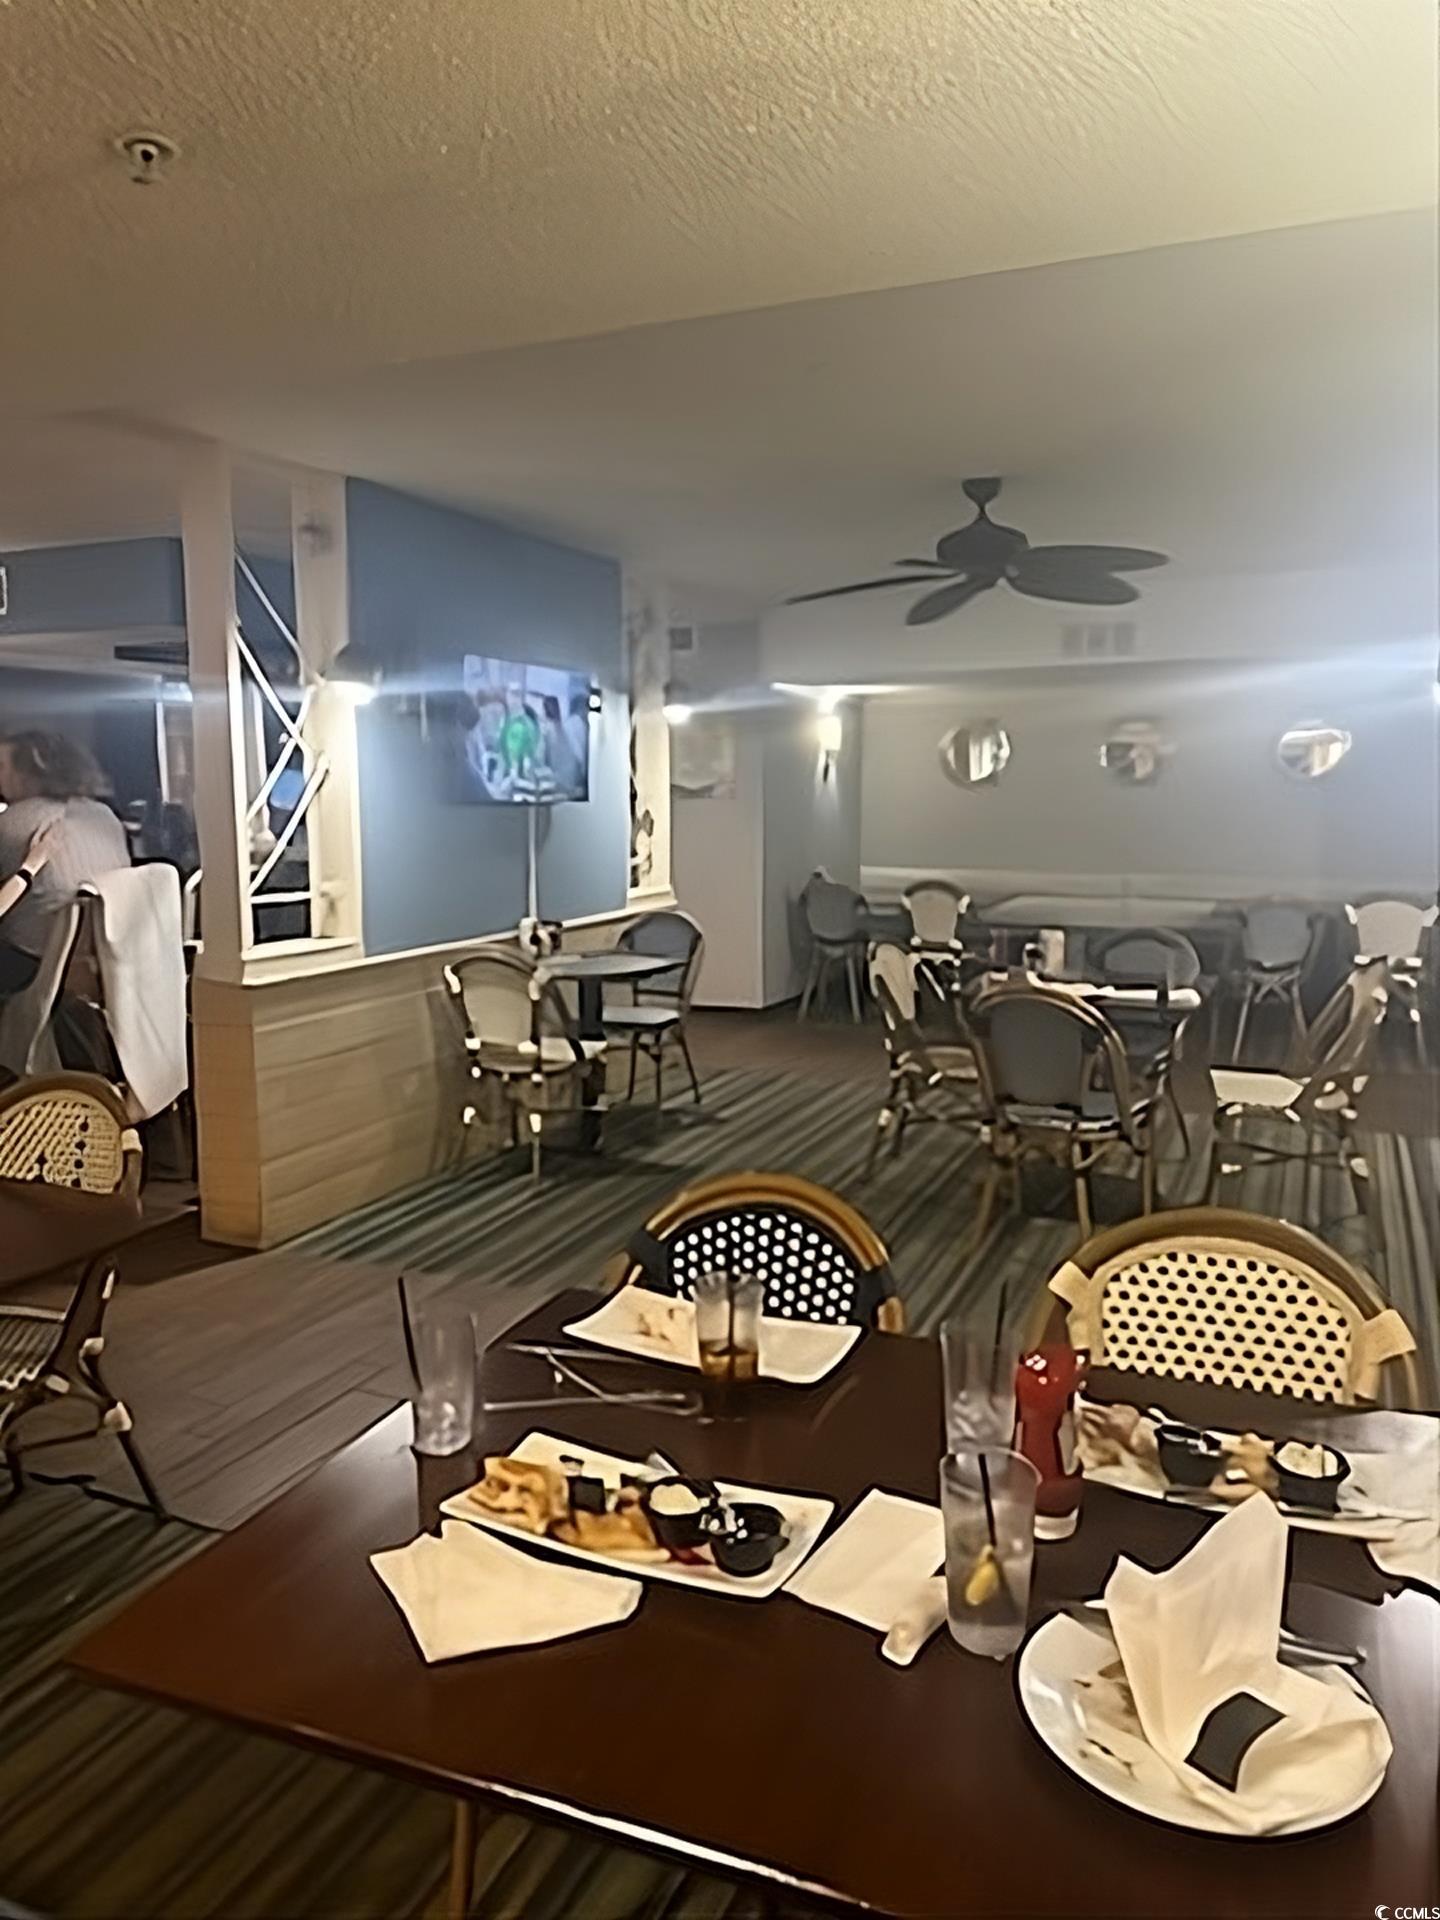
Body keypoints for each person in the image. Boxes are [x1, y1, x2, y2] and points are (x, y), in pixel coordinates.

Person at [0, 731, 130, 997]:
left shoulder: (10, 824)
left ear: (27, 774)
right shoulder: (106, 816)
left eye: (2, 767)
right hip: (109, 959)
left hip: (36, 966)